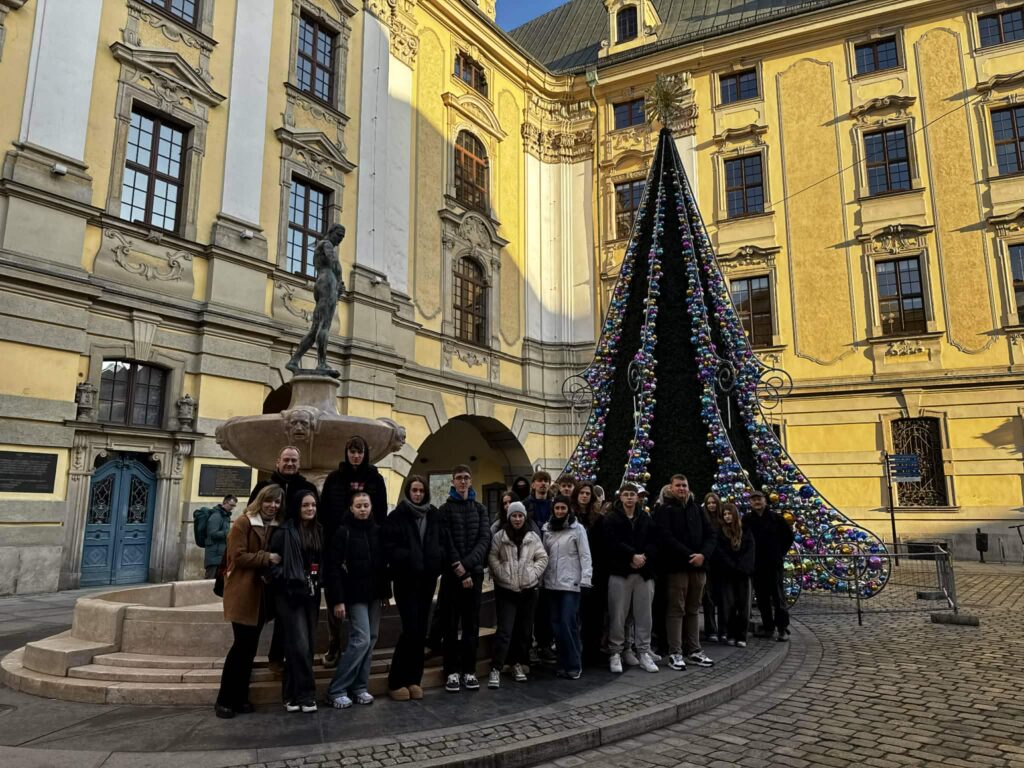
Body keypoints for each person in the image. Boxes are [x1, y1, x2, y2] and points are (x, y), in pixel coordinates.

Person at [214, 485, 283, 719]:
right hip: (243, 593)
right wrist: (267, 557)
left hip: (262, 596)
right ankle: (224, 699)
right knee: (240, 648)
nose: (273, 506)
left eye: (277, 502)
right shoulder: (243, 523)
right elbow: (238, 556)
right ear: (261, 501)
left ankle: (241, 697)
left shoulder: (274, 526)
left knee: (250, 648)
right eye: (269, 501)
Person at [248, 446, 318, 674]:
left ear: (299, 463)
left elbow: (317, 519)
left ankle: (282, 659)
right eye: (286, 459)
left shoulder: (307, 488)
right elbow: (250, 517)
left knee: (289, 612)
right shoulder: (264, 487)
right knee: (265, 612)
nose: (290, 463)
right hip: (271, 556)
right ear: (277, 461)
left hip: (300, 559)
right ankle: (254, 659)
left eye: (294, 460)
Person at [321, 435, 389, 666]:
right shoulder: (334, 478)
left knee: (363, 606)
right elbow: (324, 513)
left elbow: (381, 513)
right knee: (335, 600)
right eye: (352, 451)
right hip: (338, 543)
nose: (355, 456)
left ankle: (356, 651)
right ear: (346, 453)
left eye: (359, 452)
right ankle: (334, 643)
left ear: (365, 453)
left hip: (367, 544)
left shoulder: (375, 478)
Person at [326, 491, 390, 708]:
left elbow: (383, 566)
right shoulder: (342, 532)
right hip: (353, 595)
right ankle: (337, 689)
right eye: (359, 506)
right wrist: (337, 600)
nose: (363, 509)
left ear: (371, 507)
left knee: (371, 639)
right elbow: (333, 569)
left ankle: (360, 687)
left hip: (374, 595)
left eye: (366, 505)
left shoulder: (377, 531)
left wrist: (385, 593)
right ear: (351, 508)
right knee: (360, 639)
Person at [382, 475, 443, 701]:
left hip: (427, 581)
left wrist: (437, 560)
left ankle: (414, 680)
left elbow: (441, 541)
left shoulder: (434, 514)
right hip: (406, 581)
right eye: (414, 490)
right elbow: (388, 546)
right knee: (410, 630)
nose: (417, 494)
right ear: (408, 492)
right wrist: (408, 559)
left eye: (420, 491)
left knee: (420, 632)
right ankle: (396, 681)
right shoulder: (397, 516)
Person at [653, 474, 716, 671]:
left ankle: (694, 650)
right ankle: (675, 652)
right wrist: (689, 555)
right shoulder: (665, 510)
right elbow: (665, 538)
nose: (682, 488)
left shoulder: (697, 509)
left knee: (694, 609)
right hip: (677, 568)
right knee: (676, 609)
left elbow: (711, 534)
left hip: (698, 568)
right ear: (670, 488)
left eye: (684, 485)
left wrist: (703, 555)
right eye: (678, 485)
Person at [267, 489, 323, 713]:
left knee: (305, 645)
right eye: (305, 505)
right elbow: (272, 565)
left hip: (311, 593)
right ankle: (306, 694)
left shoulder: (319, 531)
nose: (310, 509)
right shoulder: (284, 532)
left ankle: (290, 694)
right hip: (290, 594)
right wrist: (289, 577)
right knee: (299, 644)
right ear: (297, 508)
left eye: (313, 505)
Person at [438, 465, 491, 693]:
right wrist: (459, 570)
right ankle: (451, 671)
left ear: (470, 482)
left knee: (471, 625)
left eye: (466, 478)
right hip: (452, 577)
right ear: (452, 481)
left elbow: (484, 539)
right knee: (450, 625)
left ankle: (469, 671)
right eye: (459, 478)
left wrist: (467, 567)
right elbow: (445, 541)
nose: (462, 482)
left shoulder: (480, 509)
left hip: (474, 575)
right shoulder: (445, 510)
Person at [487, 501, 548, 688]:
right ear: (509, 517)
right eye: (514, 515)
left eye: (520, 515)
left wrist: (533, 573)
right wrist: (502, 573)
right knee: (505, 630)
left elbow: (543, 557)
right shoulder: (500, 536)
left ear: (524, 517)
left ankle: (516, 663)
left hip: (528, 590)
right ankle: (496, 667)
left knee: (523, 631)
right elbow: (492, 557)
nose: (517, 519)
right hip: (506, 590)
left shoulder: (532, 536)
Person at [605, 483, 658, 674]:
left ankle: (643, 651)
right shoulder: (612, 518)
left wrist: (643, 558)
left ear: (637, 498)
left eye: (632, 495)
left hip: (643, 573)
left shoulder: (645, 518)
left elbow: (654, 541)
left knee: (644, 615)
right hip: (621, 572)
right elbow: (611, 542)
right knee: (619, 615)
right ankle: (616, 652)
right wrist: (630, 556)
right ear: (621, 497)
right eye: (626, 494)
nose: (629, 498)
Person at [286, 223, 346, 377]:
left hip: (323, 282)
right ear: (331, 232)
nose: (340, 240)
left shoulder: (322, 245)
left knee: (315, 329)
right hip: (328, 283)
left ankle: (294, 360)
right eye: (339, 235)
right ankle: (322, 363)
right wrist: (340, 282)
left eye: (343, 237)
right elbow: (334, 263)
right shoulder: (326, 245)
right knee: (324, 325)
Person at [542, 495, 591, 679]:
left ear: (568, 509)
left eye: (563, 508)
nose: (560, 511)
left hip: (571, 584)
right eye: (557, 508)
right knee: (556, 626)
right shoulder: (547, 529)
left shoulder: (577, 529)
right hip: (552, 584)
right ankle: (561, 663)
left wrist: (586, 579)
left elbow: (585, 556)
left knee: (568, 623)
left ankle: (574, 663)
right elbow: (544, 556)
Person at [745, 490, 794, 642]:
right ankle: (768, 627)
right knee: (762, 599)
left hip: (773, 564)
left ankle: (782, 628)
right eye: (753, 500)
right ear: (750, 503)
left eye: (759, 499)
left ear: (765, 501)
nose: (757, 502)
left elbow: (789, 537)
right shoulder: (746, 520)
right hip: (757, 565)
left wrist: (780, 552)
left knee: (778, 598)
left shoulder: (776, 518)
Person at [711, 502, 755, 647]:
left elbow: (750, 550)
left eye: (729, 513)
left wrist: (742, 567)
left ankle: (741, 635)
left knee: (743, 605)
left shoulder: (745, 530)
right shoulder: (720, 532)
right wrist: (731, 565)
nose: (727, 517)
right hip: (727, 573)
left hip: (743, 573)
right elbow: (719, 552)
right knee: (728, 605)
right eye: (725, 514)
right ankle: (728, 633)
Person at [573, 482, 607, 666]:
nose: (585, 496)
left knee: (594, 615)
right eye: (582, 493)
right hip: (573, 571)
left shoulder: (598, 519)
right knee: (577, 615)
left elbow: (602, 547)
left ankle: (592, 652)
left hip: (595, 571)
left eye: (588, 493)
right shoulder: (571, 517)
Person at [523, 470, 555, 662]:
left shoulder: (554, 506)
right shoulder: (526, 506)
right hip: (530, 561)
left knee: (546, 608)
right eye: (540, 481)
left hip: (551, 561)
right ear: (533, 484)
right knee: (530, 608)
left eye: (546, 481)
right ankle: (529, 646)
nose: (543, 484)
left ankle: (544, 645)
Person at [701, 492, 723, 643]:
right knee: (708, 598)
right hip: (708, 563)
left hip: (722, 564)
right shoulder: (703, 520)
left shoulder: (723, 520)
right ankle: (711, 629)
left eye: (713, 502)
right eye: (709, 503)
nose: (711, 505)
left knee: (722, 598)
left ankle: (723, 629)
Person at [203, 495, 237, 578]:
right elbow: (212, 533)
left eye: (234, 506)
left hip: (220, 556)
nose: (232, 508)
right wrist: (229, 532)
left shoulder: (225, 516)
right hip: (214, 556)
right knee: (210, 582)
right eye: (231, 505)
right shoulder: (216, 516)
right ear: (225, 502)